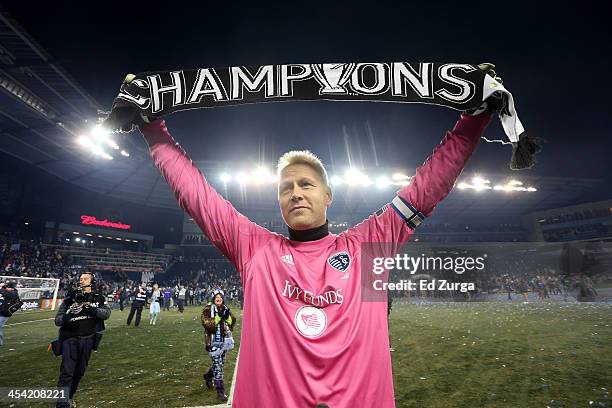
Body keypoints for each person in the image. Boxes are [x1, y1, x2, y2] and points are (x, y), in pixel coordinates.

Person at [120, 65, 502, 406]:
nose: (296, 193)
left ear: (328, 195)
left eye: (306, 184)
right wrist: (153, 129)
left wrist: (473, 122)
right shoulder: (255, 248)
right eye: (286, 188)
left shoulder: (370, 245)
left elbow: (428, 187)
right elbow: (196, 195)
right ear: (279, 201)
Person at [53, 272, 110, 408]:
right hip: (70, 339)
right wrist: (68, 314)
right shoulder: (69, 299)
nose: (82, 281)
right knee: (67, 372)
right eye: (80, 279)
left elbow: (106, 314)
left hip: (88, 339)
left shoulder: (98, 298)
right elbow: (58, 320)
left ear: (92, 281)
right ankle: (61, 405)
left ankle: (69, 397)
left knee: (79, 372)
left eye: (85, 279)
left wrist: (92, 309)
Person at [201, 289, 236, 401]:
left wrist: (227, 317)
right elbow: (207, 325)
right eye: (216, 297)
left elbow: (232, 323)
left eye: (220, 297)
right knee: (218, 366)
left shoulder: (225, 308)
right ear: (213, 299)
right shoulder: (207, 309)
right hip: (213, 343)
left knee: (219, 364)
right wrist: (218, 317)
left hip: (224, 343)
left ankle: (208, 375)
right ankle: (220, 392)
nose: (219, 299)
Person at [0, 281, 22, 347]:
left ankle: (0, 342)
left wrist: (1, 287)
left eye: (7, 287)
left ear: (12, 288)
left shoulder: (14, 293)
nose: (6, 288)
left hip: (5, 314)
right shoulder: (8, 291)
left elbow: (5, 293)